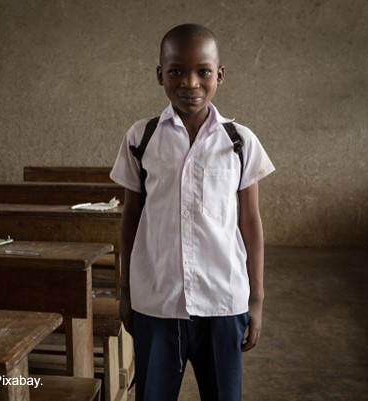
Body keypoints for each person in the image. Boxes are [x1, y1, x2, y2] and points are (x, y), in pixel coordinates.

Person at [110, 23, 275, 401]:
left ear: (220, 75)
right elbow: (131, 216)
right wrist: (126, 291)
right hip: (157, 300)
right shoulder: (142, 137)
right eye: (176, 72)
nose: (190, 83)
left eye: (202, 71)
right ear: (160, 75)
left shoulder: (239, 140)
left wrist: (256, 300)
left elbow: (250, 223)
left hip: (223, 301)